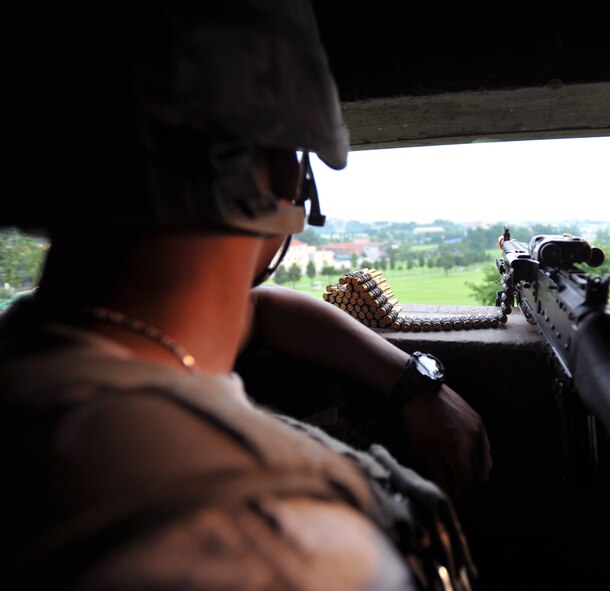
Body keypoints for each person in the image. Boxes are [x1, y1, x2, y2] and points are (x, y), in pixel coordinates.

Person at [1, 1, 491, 589]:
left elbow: (252, 311)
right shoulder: (294, 556)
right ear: (287, 177)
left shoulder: (47, 348)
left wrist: (413, 382)